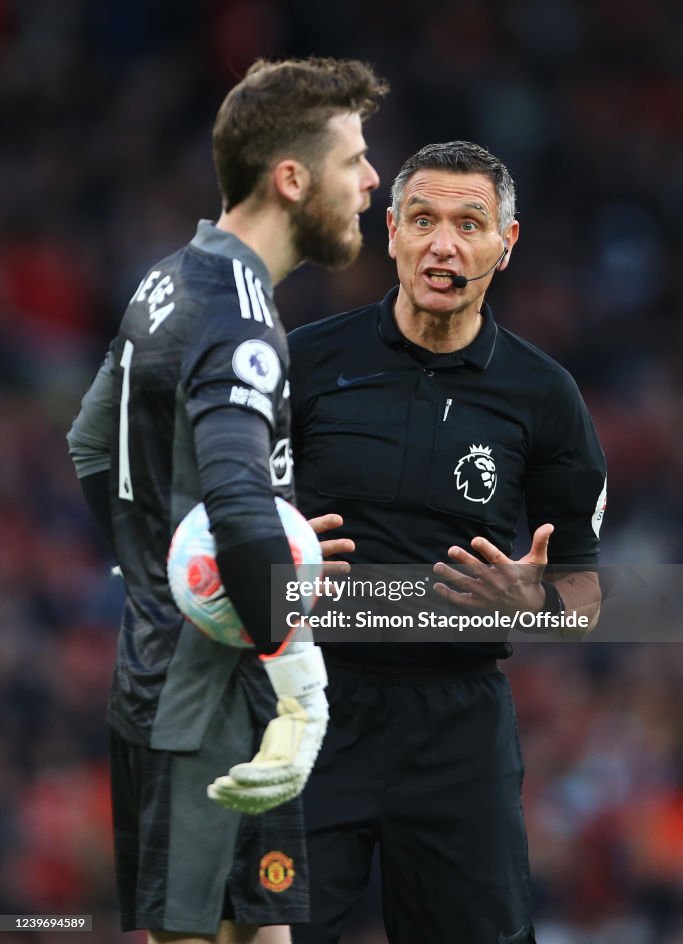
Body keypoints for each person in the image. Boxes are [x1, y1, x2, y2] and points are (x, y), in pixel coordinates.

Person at [66, 56, 387, 944]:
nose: (370, 181)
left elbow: (93, 442)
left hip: (187, 679)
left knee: (261, 933)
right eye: (353, 158)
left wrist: (170, 577)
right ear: (291, 179)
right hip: (204, 706)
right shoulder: (241, 318)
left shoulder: (170, 276)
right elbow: (239, 512)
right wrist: (305, 694)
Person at [287, 140, 607, 944]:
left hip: (457, 727)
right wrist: (269, 567)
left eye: (470, 223)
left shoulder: (544, 396)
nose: (443, 244)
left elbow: (583, 602)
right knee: (264, 933)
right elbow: (217, 533)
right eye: (423, 219)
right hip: (306, 707)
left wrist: (531, 602)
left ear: (507, 242)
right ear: (389, 230)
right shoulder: (304, 366)